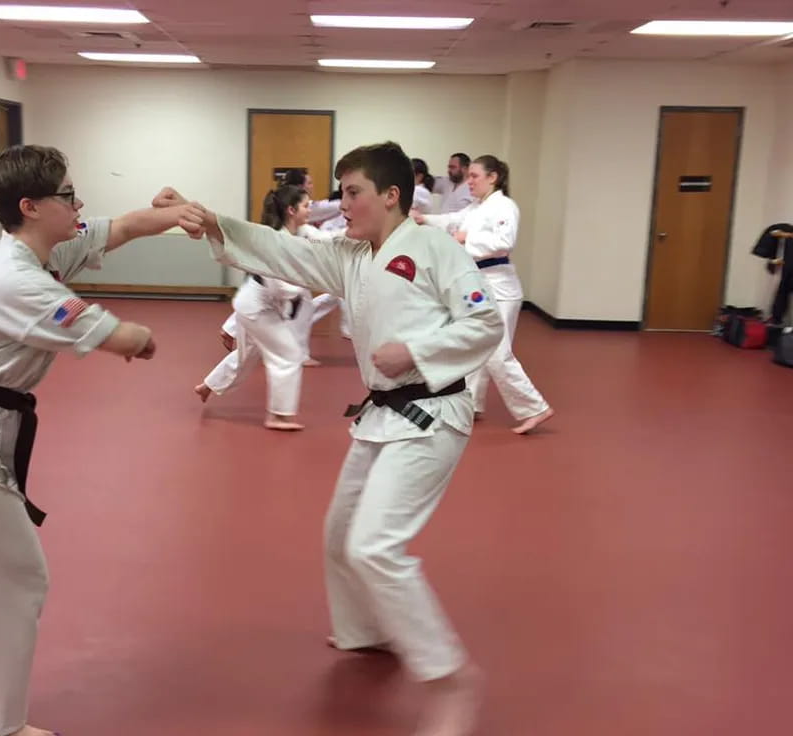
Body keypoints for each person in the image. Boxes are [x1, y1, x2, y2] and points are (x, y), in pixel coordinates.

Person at [174, 141, 504, 736]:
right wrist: (214, 221)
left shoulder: (433, 248)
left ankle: (450, 676)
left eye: (352, 193)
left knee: (375, 546)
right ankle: (367, 631)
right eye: (341, 192)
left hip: (433, 413)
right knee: (340, 534)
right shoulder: (352, 255)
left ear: (390, 195)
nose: (341, 204)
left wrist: (417, 350)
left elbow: (485, 322)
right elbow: (283, 249)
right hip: (382, 413)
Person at [0, 144, 204, 736]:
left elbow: (125, 226)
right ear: (30, 205)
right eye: (68, 195)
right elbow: (120, 336)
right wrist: (143, 337)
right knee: (14, 579)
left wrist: (179, 213)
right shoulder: (15, 277)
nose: (80, 203)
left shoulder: (42, 246)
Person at [418, 155, 554, 434]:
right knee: (476, 344)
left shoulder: (504, 206)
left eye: (474, 176)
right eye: (468, 176)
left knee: (496, 352)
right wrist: (423, 218)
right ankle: (471, 403)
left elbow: (504, 242)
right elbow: (452, 220)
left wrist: (466, 239)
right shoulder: (477, 207)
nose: (469, 181)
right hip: (480, 285)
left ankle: (535, 408)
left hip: (501, 288)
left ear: (493, 177)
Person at [193, 184, 309, 430]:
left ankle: (209, 385)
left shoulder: (291, 235)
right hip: (257, 308)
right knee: (289, 354)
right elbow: (278, 286)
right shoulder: (277, 241)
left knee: (246, 357)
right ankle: (278, 415)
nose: (310, 210)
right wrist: (302, 287)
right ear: (291, 210)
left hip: (250, 305)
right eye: (306, 206)